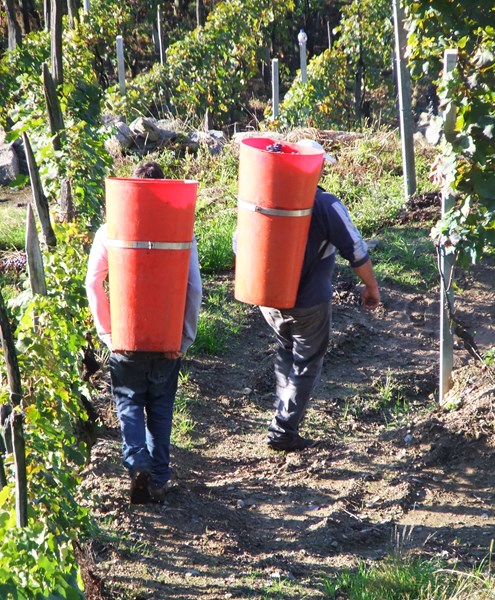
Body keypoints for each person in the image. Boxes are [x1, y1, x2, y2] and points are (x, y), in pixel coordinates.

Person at [85, 161, 202, 503]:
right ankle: (160, 479)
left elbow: (93, 283)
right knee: (161, 407)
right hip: (167, 341)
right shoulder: (182, 231)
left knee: (129, 403)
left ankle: (137, 462)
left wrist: (108, 333)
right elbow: (193, 288)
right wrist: (183, 338)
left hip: (126, 336)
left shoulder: (109, 231)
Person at [260, 139, 381, 452]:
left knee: (286, 350)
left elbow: (239, 245)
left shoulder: (263, 196)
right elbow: (355, 249)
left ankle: (281, 416)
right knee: (307, 361)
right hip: (309, 302)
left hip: (268, 299)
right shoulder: (326, 204)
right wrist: (372, 286)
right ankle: (283, 430)